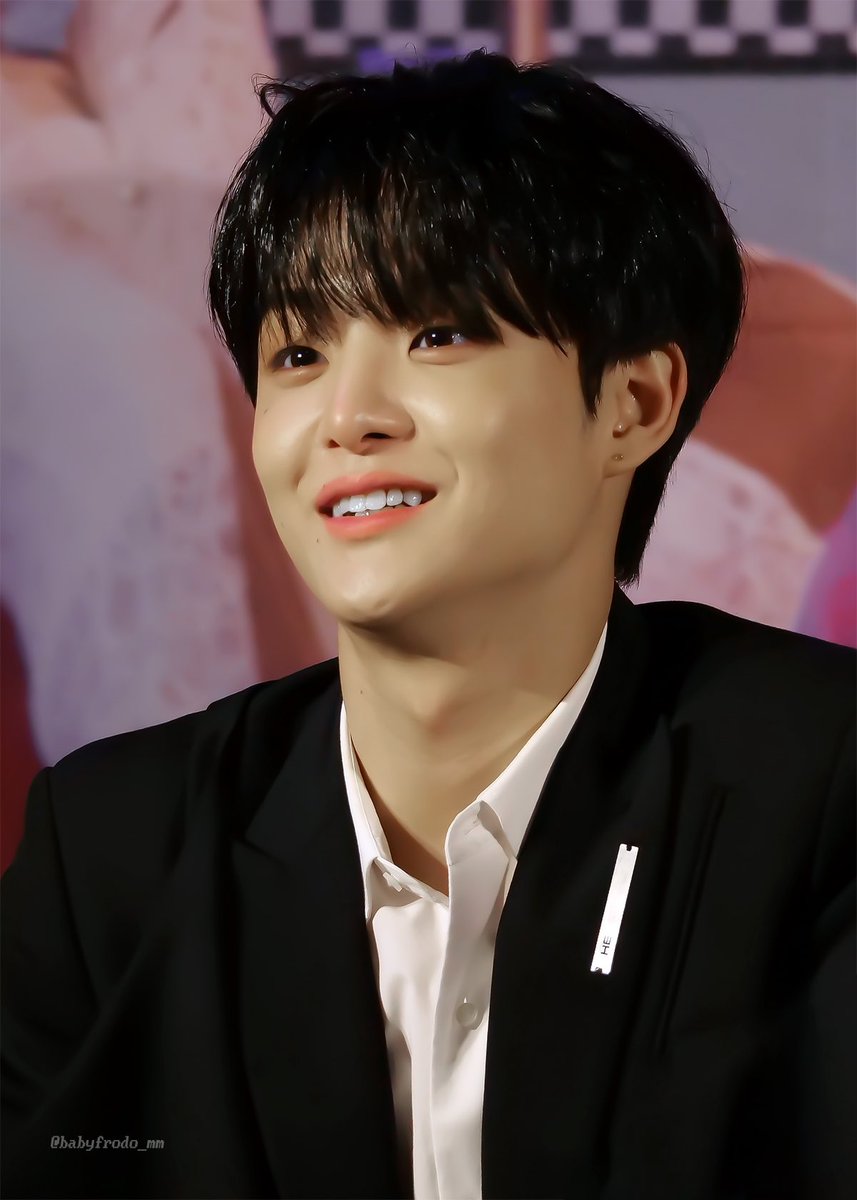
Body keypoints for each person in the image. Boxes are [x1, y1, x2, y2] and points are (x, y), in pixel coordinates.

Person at [1, 51, 854, 1200]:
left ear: (633, 404)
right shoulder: (116, 849)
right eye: (298, 354)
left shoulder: (816, 788)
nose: (345, 417)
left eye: (436, 335)